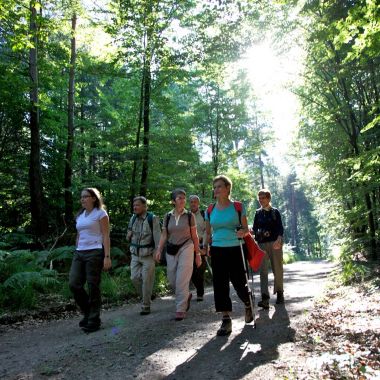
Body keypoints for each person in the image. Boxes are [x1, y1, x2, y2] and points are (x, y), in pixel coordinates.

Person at [204, 175, 253, 336]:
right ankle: (226, 319)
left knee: (239, 282)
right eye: (214, 187)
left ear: (227, 188)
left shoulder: (238, 207)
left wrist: (242, 232)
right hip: (217, 249)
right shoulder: (210, 210)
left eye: (219, 186)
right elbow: (208, 232)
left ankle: (248, 303)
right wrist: (205, 246)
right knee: (220, 284)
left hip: (236, 247)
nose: (216, 189)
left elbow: (246, 229)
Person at [154, 188, 202, 321]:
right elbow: (164, 234)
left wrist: (197, 253)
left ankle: (180, 308)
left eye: (184, 198)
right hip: (171, 249)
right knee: (172, 278)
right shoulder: (167, 216)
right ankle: (185, 296)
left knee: (182, 278)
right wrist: (159, 249)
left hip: (187, 246)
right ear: (173, 201)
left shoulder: (189, 216)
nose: (183, 200)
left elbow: (195, 236)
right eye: (179, 198)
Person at [69, 188, 111, 333]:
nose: (82, 199)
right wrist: (76, 248)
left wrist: (107, 256)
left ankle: (93, 319)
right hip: (79, 253)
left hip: (95, 252)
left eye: (86, 196)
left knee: (93, 286)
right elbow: (79, 234)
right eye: (81, 197)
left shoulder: (100, 213)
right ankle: (88, 313)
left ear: (94, 198)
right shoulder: (80, 215)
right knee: (74, 284)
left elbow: (106, 235)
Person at [127, 196, 161, 315]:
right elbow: (128, 236)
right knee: (134, 278)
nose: (135, 207)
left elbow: (158, 237)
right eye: (134, 205)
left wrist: (158, 252)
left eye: (137, 205)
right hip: (135, 255)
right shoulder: (132, 219)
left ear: (145, 206)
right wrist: (129, 234)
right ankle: (147, 296)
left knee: (147, 280)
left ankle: (146, 306)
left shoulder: (152, 218)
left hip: (148, 255)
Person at [252, 189, 284, 309]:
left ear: (269, 199)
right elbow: (255, 229)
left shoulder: (275, 212)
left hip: (275, 243)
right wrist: (259, 232)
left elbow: (280, 228)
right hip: (261, 245)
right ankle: (265, 298)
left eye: (263, 198)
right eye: (259, 198)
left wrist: (279, 239)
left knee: (277, 269)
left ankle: (280, 293)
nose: (261, 200)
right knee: (263, 271)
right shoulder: (257, 213)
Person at [189, 195, 207, 301]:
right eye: (191, 202)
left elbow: (207, 230)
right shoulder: (186, 215)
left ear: (198, 203)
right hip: (189, 246)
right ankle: (199, 289)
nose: (193, 203)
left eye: (195, 202)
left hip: (201, 245)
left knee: (200, 269)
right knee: (190, 270)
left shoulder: (203, 214)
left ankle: (200, 293)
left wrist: (204, 243)